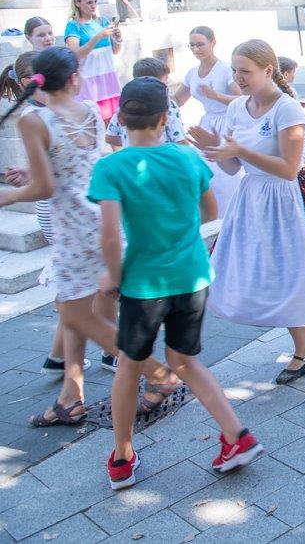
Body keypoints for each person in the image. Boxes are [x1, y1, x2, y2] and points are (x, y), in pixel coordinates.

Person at [91, 78, 263, 489]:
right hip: (192, 276)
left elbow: (110, 236)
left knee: (129, 365)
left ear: (120, 119)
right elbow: (209, 211)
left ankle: (122, 456)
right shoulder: (187, 157)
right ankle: (238, 436)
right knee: (184, 360)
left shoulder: (110, 167)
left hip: (144, 284)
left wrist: (112, 275)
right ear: (166, 118)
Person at [0, 48, 176, 427]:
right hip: (101, 215)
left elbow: (45, 186)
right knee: (76, 309)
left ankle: (156, 373)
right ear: (75, 78)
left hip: (71, 226)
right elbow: (75, 166)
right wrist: (31, 175)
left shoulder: (34, 120)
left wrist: (9, 196)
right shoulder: (92, 111)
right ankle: (71, 397)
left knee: (76, 314)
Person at [192, 40, 305, 385]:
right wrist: (215, 150)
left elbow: (288, 168)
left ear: (268, 70)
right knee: (272, 272)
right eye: (235, 71)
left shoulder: (287, 109)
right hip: (252, 197)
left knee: (285, 273)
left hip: (285, 199)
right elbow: (231, 168)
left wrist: (238, 149)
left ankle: (304, 348)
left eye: (245, 71)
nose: (238, 78)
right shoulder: (237, 108)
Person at [174, 26, 244, 212]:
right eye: (192, 45)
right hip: (207, 123)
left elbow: (242, 99)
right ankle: (211, 211)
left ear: (213, 43)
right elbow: (178, 100)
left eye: (200, 44)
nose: (196, 49)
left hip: (227, 122)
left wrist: (216, 96)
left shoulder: (225, 69)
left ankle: (231, 210)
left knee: (225, 172)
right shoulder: (192, 73)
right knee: (206, 168)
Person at [63, 0, 122, 121]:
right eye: (89, 2)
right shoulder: (73, 25)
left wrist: (118, 39)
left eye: (95, 2)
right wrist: (98, 37)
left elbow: (115, 51)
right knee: (92, 120)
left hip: (108, 76)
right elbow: (75, 55)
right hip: (88, 79)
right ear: (77, 3)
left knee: (112, 121)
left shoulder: (103, 21)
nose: (93, 6)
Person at [105, 58, 185, 149]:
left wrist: (129, 143)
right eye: (165, 80)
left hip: (132, 156)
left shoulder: (126, 105)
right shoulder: (168, 106)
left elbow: (109, 137)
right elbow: (180, 141)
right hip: (160, 156)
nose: (167, 83)